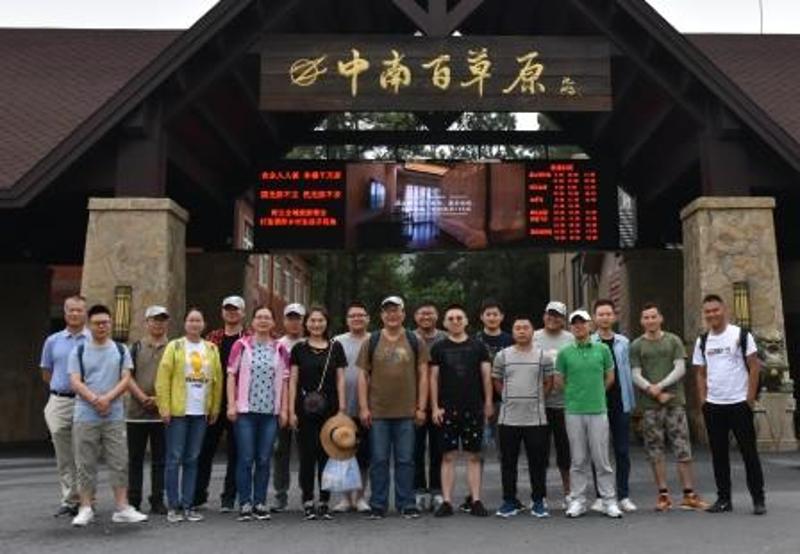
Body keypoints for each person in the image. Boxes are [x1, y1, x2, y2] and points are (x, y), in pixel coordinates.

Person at [67, 304, 148, 527]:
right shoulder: (79, 351)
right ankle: (85, 507)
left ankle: (122, 507)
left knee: (119, 461)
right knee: (85, 463)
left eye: (105, 322)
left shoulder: (121, 350)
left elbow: (126, 379)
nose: (101, 326)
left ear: (111, 324)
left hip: (114, 415)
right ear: (89, 325)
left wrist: (107, 399)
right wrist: (96, 400)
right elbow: (75, 381)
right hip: (85, 415)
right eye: (97, 323)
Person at [630, 302, 708, 512]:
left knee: (682, 447)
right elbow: (635, 373)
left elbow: (680, 368)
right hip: (650, 405)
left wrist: (660, 386)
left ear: (660, 318)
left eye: (653, 316)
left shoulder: (673, 340)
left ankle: (688, 494)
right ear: (641, 321)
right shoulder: (637, 345)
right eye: (646, 317)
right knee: (655, 450)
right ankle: (663, 494)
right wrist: (652, 390)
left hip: (674, 402)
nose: (650, 321)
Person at [692, 294, 766, 515]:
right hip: (714, 405)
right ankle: (724, 499)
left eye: (715, 310)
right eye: (708, 311)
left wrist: (749, 399)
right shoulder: (702, 341)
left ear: (723, 310)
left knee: (749, 453)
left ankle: (758, 499)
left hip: (739, 403)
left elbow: (754, 367)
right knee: (719, 454)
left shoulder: (740, 335)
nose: (712, 314)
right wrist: (703, 401)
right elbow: (700, 373)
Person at [357, 296, 428, 520]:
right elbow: (362, 376)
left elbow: (423, 375)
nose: (392, 315)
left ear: (403, 314)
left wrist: (421, 407)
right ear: (381, 315)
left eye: (396, 310)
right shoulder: (372, 340)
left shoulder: (415, 340)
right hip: (378, 412)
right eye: (387, 311)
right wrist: (363, 407)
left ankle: (406, 503)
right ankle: (378, 504)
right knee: (378, 460)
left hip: (407, 412)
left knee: (406, 460)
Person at [156, 307, 223, 523]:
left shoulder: (211, 348)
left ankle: (188, 504)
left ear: (204, 324)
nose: (195, 324)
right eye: (191, 320)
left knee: (193, 458)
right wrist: (164, 407)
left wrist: (214, 408)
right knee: (174, 458)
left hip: (200, 412)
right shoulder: (174, 346)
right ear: (185, 324)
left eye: (198, 320)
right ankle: (173, 506)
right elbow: (163, 378)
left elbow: (218, 381)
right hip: (178, 411)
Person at [554, 310, 622, 519]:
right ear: (570, 327)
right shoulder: (564, 353)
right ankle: (578, 500)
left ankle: (609, 500)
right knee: (578, 459)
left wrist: (596, 392)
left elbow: (610, 377)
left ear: (590, 325)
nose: (579, 326)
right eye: (575, 323)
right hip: (574, 411)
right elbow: (559, 381)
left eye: (582, 322)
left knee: (601, 459)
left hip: (598, 409)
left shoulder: (602, 349)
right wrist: (574, 395)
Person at [227, 305, 290, 522]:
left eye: (267, 317)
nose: (263, 321)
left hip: (269, 413)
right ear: (253, 322)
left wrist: (283, 409)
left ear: (273, 322)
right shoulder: (241, 345)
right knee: (246, 458)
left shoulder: (280, 349)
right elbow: (231, 375)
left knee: (264, 459)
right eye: (259, 317)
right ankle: (245, 503)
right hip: (245, 412)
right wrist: (231, 405)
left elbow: (285, 381)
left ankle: (260, 502)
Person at [430, 304, 493, 518]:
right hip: (447, 409)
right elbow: (433, 379)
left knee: (473, 456)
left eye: (459, 317)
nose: (455, 321)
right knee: (448, 456)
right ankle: (447, 501)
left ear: (466, 321)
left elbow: (486, 376)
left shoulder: (478, 347)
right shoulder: (438, 348)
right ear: (444, 323)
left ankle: (475, 500)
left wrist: (488, 403)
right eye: (451, 318)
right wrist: (435, 406)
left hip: (473, 408)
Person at [288, 306, 347, 520]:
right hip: (304, 409)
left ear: (326, 323)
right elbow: (293, 380)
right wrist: (291, 410)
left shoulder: (336, 347)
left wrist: (342, 409)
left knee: (327, 455)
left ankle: (324, 500)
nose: (316, 324)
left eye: (320, 320)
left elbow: (340, 379)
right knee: (307, 456)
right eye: (312, 320)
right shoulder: (299, 349)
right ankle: (307, 500)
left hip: (330, 409)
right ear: (306, 323)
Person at [493, 316, 553, 519]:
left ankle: (538, 501)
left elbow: (549, 382)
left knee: (538, 462)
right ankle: (509, 501)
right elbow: (497, 381)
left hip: (536, 419)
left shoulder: (543, 356)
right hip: (508, 418)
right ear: (512, 332)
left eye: (525, 327)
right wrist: (508, 398)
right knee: (508, 462)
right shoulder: (502, 355)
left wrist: (538, 399)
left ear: (532, 331)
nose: (521, 331)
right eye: (517, 328)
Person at [195, 295, 249, 512]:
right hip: (213, 402)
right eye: (228, 308)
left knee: (236, 452)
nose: (231, 312)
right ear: (222, 312)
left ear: (243, 313)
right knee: (204, 449)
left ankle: (229, 498)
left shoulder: (249, 339)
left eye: (236, 309)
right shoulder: (211, 338)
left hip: (239, 403)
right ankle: (198, 496)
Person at [40, 295, 89, 517]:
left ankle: (86, 499)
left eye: (79, 310)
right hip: (59, 401)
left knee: (84, 453)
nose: (75, 314)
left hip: (85, 402)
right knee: (64, 455)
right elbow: (46, 372)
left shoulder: (94, 340)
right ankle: (69, 499)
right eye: (71, 310)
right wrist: (61, 387)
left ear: (85, 312)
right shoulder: (53, 341)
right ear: (65, 312)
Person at [589, 299, 637, 513]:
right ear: (594, 317)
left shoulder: (623, 342)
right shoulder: (589, 341)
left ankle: (623, 495)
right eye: (601, 314)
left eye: (608, 314)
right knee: (599, 452)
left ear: (614, 316)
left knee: (622, 451)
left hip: (620, 401)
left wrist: (632, 402)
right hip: (597, 403)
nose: (605, 318)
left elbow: (628, 372)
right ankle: (601, 496)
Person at [466, 298, 513, 511]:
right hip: (478, 402)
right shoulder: (473, 341)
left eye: (496, 314)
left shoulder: (510, 340)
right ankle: (473, 496)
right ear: (481, 317)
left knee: (506, 451)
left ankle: (509, 496)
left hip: (505, 401)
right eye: (488, 314)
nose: (492, 317)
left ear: (502, 317)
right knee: (477, 451)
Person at [126, 305, 170, 515]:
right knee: (135, 460)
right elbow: (127, 377)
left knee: (160, 460)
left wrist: (159, 400)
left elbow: (176, 379)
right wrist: (142, 397)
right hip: (136, 413)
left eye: (162, 319)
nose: (158, 323)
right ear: (146, 322)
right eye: (154, 319)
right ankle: (133, 500)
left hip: (162, 414)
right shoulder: (135, 348)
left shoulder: (173, 348)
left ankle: (157, 499)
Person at [332, 301, 372, 514]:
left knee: (364, 456)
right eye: (352, 316)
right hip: (343, 407)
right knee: (344, 454)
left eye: (361, 315)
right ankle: (346, 498)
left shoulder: (375, 340)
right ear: (347, 320)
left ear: (368, 318)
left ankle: (360, 496)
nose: (357, 318)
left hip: (368, 408)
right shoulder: (337, 342)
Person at [534, 300, 574, 508]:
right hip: (539, 405)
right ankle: (539, 495)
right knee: (539, 451)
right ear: (544, 316)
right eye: (550, 314)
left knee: (565, 451)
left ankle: (569, 493)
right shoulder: (533, 337)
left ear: (563, 320)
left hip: (564, 405)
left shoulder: (571, 339)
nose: (552, 318)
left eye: (557, 315)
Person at [271, 302, 306, 512]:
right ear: (284, 321)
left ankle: (307, 494)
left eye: (298, 318)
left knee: (306, 452)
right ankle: (280, 495)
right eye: (290, 318)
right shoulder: (277, 345)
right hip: (281, 404)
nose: (294, 322)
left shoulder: (310, 344)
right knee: (280, 451)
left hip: (306, 405)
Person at [412, 301, 446, 512]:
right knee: (415, 449)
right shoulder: (408, 338)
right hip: (413, 401)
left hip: (441, 401)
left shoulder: (445, 338)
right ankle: (418, 490)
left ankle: (437, 490)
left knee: (438, 449)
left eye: (430, 313)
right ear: (415, 316)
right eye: (422, 313)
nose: (426, 317)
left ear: (437, 316)